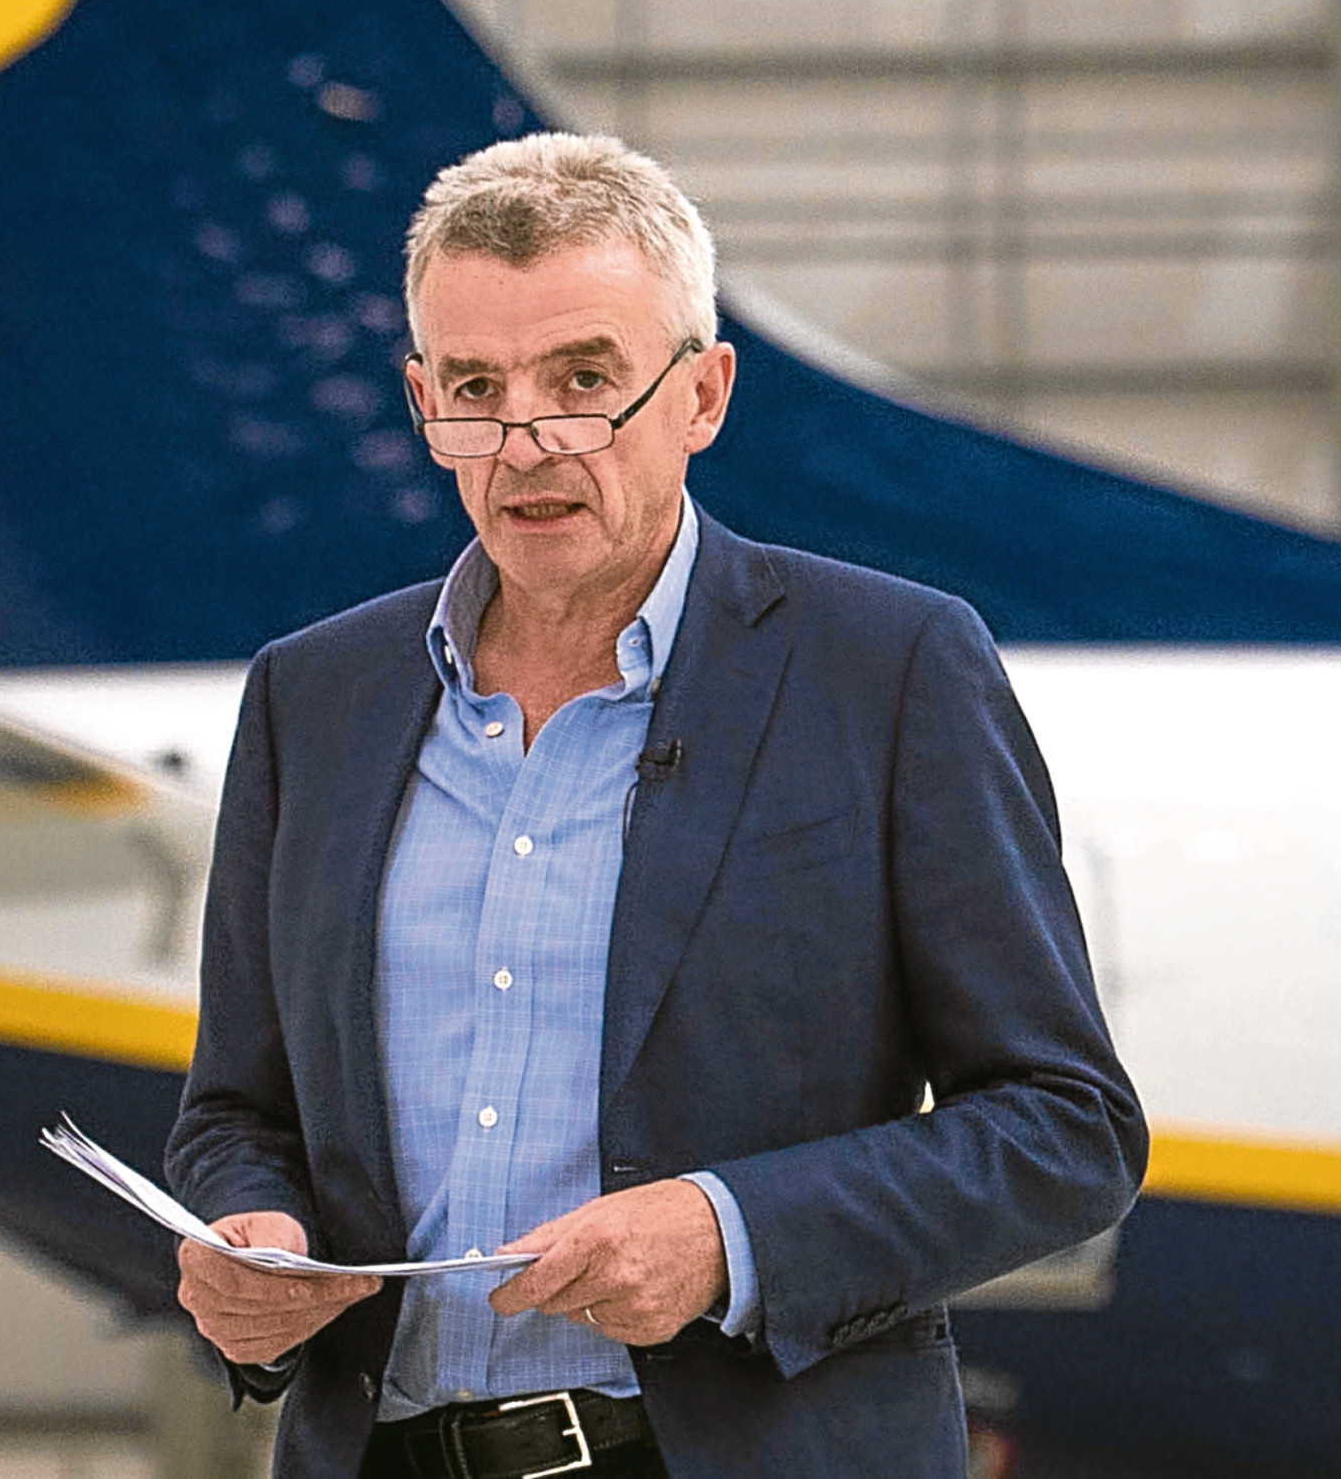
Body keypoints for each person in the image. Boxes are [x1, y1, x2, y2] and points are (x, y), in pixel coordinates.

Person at [164, 134, 1144, 1479]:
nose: (528, 443)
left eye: (583, 380)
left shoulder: (889, 670)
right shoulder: (310, 700)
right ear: (420, 398)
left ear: (703, 392)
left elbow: (1066, 1128)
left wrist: (730, 1235)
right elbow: (237, 1115)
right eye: (475, 388)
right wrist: (251, 1244)